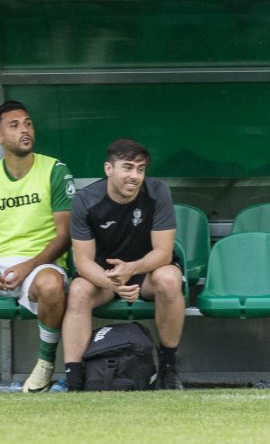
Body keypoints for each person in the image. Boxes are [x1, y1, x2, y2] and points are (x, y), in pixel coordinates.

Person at [0, 101, 72, 393]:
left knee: (50, 285)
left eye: (28, 123)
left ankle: (44, 365)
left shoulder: (54, 170)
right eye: (15, 125)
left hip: (39, 265)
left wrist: (27, 265)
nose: (24, 130)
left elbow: (64, 235)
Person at [61, 138, 185, 391]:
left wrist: (132, 269)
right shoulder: (85, 200)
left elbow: (163, 252)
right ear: (109, 169)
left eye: (140, 170)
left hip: (146, 272)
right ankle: (74, 380)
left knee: (170, 279)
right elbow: (83, 262)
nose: (135, 176)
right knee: (78, 290)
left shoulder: (158, 192)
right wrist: (114, 283)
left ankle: (169, 370)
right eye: (128, 167)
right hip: (104, 276)